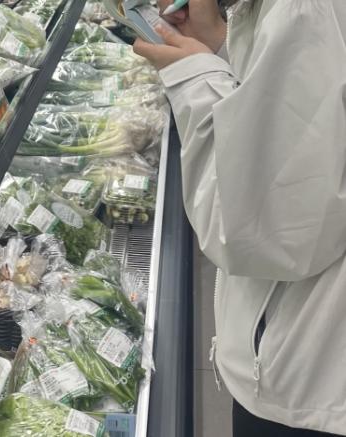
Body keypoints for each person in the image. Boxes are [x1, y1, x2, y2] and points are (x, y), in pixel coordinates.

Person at [132, 1, 346, 436]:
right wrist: (221, 46)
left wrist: (196, 79)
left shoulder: (304, 11)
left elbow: (259, 232)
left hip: (308, 385)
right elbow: (303, 118)